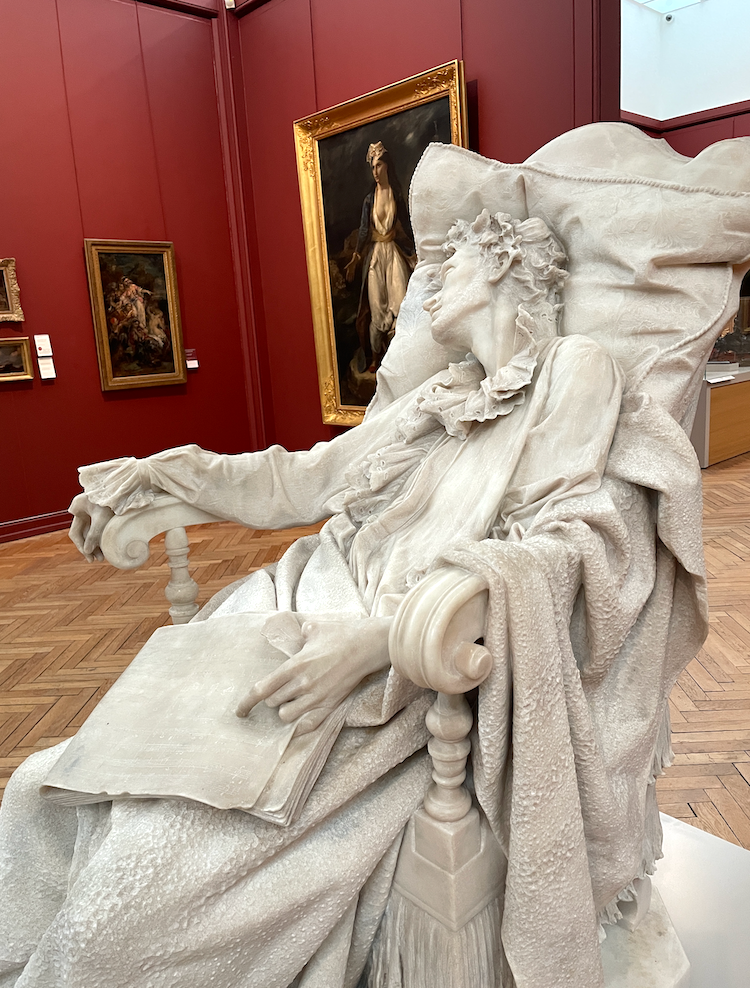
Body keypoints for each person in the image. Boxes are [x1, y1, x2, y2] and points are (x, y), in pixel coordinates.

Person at [0, 210, 629, 988]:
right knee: (37, 792)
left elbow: (559, 544)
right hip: (295, 599)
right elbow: (301, 479)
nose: (427, 284)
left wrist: (380, 640)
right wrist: (158, 472)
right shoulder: (441, 390)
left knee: (118, 911)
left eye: (451, 267)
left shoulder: (575, 369)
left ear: (501, 268)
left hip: (394, 655)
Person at [345, 142, 415, 372]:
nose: (375, 171)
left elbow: (406, 224)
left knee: (400, 303)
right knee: (377, 307)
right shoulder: (369, 199)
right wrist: (356, 257)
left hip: (393, 254)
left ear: (387, 166)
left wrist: (415, 251)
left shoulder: (395, 195)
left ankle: (399, 357)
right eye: (372, 167)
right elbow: (364, 230)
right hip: (376, 257)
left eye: (379, 165)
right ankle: (376, 357)